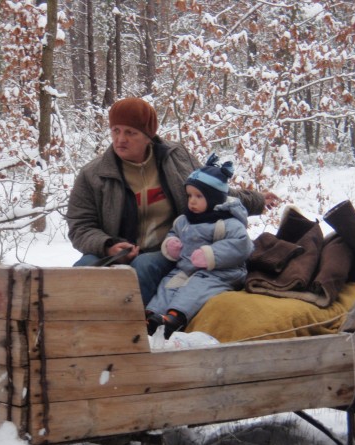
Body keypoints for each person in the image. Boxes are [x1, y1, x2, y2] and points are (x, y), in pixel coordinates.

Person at [66, 97, 279, 305]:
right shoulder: (92, 174)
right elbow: (80, 226)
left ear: (148, 136)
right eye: (116, 131)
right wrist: (108, 246)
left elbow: (210, 191)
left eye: (130, 132)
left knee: (143, 266)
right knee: (84, 268)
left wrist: (256, 200)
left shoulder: (176, 158)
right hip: (116, 251)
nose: (121, 139)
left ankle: (140, 330)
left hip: (170, 248)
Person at [145, 155, 254, 338]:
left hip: (219, 272)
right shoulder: (185, 220)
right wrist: (172, 244)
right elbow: (174, 232)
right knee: (168, 283)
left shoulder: (226, 223)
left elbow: (242, 245)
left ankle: (175, 317)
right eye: (189, 196)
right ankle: (152, 313)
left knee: (195, 288)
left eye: (199, 196)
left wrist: (211, 254)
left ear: (213, 199)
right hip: (187, 268)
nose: (192, 201)